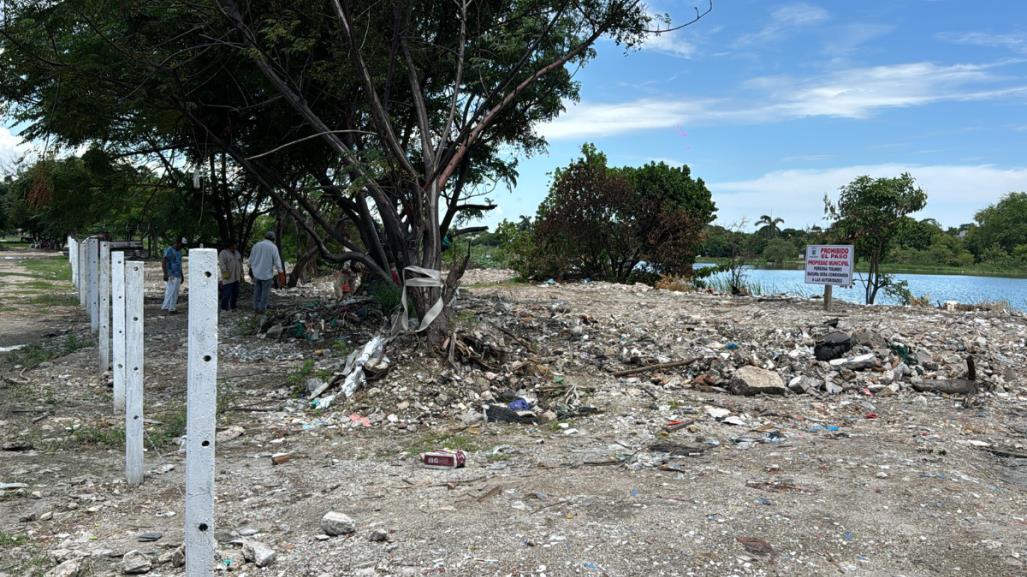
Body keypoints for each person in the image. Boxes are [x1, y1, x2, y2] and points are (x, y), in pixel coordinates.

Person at [249, 231, 284, 314]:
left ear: (265, 237)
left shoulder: (256, 245)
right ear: (273, 239)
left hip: (256, 274)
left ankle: (256, 308)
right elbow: (277, 262)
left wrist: (251, 268)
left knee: (257, 292)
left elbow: (250, 260)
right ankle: (262, 309)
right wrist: (281, 273)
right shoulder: (273, 247)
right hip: (267, 275)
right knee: (265, 293)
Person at [161, 237, 185, 314]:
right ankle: (166, 308)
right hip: (171, 274)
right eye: (181, 245)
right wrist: (165, 274)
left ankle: (171, 308)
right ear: (177, 242)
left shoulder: (179, 252)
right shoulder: (169, 250)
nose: (182, 247)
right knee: (170, 291)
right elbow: (164, 262)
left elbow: (179, 264)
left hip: (177, 274)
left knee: (175, 292)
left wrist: (182, 275)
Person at [218, 240, 243, 311]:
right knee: (227, 294)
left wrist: (241, 273)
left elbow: (240, 263)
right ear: (231, 245)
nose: (236, 246)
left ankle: (233, 306)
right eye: (235, 244)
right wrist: (225, 274)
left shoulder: (237, 253)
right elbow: (222, 264)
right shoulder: (223, 253)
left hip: (236, 277)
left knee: (236, 293)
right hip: (228, 277)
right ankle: (224, 308)